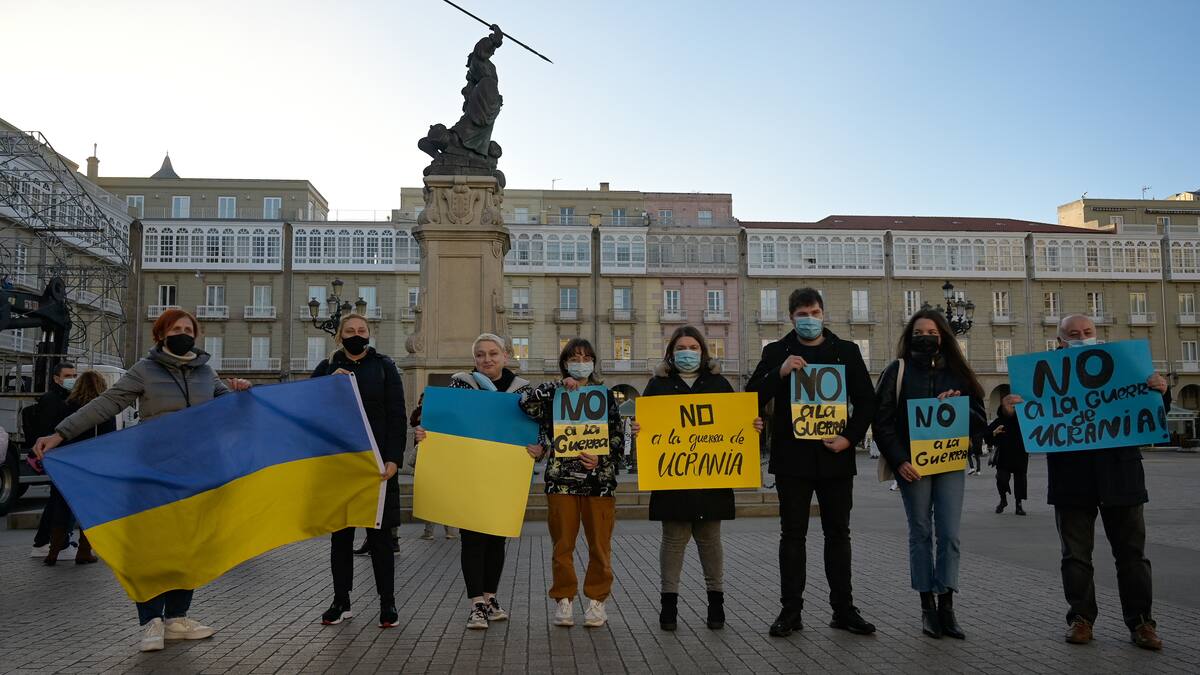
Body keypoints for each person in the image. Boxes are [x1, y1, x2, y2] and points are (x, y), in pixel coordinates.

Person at [33, 309, 252, 652]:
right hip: (152, 471)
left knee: (187, 547)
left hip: (194, 473)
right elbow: (106, 403)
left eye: (188, 329)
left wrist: (244, 392)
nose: (183, 333)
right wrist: (60, 433)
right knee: (152, 547)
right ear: (161, 335)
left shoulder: (207, 373)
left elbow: (233, 410)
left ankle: (177, 618)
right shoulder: (145, 370)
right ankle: (151, 621)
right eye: (176, 329)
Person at [999, 314, 1165, 650]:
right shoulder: (1041, 376)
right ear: (1059, 341)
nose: (1081, 337)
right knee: (1075, 556)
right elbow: (1026, 433)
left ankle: (1142, 623)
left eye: (1087, 332)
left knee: (1133, 556)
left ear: (1097, 334)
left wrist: (1161, 391)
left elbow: (1150, 412)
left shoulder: (1123, 365)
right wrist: (1008, 412)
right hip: (1072, 479)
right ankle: (1081, 619)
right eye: (1073, 334)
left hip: (1122, 474)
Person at [746, 287, 877, 638]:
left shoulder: (846, 351)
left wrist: (849, 437)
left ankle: (843, 609)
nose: (809, 320)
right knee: (792, 536)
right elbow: (750, 397)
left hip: (836, 456)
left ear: (823, 314)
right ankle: (791, 611)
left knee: (838, 535)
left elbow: (866, 401)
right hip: (792, 460)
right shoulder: (776, 351)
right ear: (791, 317)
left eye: (815, 312)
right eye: (802, 314)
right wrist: (781, 372)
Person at [630, 326, 762, 632]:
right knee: (673, 542)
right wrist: (639, 430)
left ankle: (716, 605)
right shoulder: (657, 385)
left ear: (703, 351)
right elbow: (646, 426)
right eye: (680, 348)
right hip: (673, 479)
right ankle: (669, 607)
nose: (686, 352)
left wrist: (751, 425)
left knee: (710, 541)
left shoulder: (718, 383)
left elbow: (736, 424)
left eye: (692, 347)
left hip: (711, 477)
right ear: (671, 353)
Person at [873, 309, 987, 640]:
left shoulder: (959, 373)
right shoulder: (898, 371)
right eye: (920, 332)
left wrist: (959, 403)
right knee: (920, 531)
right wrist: (899, 461)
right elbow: (882, 422)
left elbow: (979, 421)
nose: (927, 337)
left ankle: (947, 604)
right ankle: (927, 607)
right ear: (910, 337)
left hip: (949, 463)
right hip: (913, 465)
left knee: (949, 533)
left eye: (933, 332)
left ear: (944, 337)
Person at [413, 333, 539, 630]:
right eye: (481, 354)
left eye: (493, 353)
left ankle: (491, 598)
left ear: (506, 356)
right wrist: (426, 433)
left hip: (504, 475)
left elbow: (538, 427)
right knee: (472, 540)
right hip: (469, 474)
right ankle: (476, 604)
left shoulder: (523, 391)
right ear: (475, 359)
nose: (487, 359)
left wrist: (540, 447)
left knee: (497, 539)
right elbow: (442, 420)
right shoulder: (461, 383)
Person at [518, 338, 624, 628]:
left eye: (586, 357)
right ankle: (563, 600)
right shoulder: (554, 394)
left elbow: (617, 439)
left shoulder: (604, 396)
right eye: (575, 357)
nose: (581, 362)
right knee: (562, 545)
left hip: (599, 484)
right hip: (561, 482)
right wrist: (556, 386)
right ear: (565, 362)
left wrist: (600, 461)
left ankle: (597, 601)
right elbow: (525, 404)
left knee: (600, 546)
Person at [311, 314, 406, 629]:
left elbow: (396, 414)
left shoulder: (384, 367)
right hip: (340, 465)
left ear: (370, 334)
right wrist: (327, 386)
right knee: (340, 539)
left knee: (380, 539)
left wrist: (394, 458)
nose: (356, 335)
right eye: (349, 331)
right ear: (339, 336)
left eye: (361, 330)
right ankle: (341, 601)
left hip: (377, 466)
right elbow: (308, 411)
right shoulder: (325, 370)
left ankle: (387, 602)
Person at [41, 370, 117, 566]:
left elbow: (57, 432)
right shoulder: (104, 410)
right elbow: (110, 440)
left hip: (66, 464)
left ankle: (53, 552)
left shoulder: (66, 406)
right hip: (92, 465)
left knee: (61, 506)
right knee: (89, 509)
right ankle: (84, 551)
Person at [29, 361, 76, 558]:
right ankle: (57, 543)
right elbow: (46, 429)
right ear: (57, 379)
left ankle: (45, 542)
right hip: (57, 456)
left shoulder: (68, 398)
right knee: (61, 501)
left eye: (74, 375)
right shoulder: (50, 399)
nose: (72, 380)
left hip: (63, 456)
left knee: (57, 500)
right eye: (67, 376)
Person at [411, 393, 459, 541]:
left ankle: (448, 530)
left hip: (440, 459)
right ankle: (430, 531)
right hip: (427, 459)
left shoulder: (441, 416)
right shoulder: (420, 412)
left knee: (443, 497)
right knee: (431, 497)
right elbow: (413, 422)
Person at [986, 414, 1028, 515]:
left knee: (1020, 480)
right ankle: (1003, 500)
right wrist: (994, 432)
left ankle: (1019, 505)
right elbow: (987, 434)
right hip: (1004, 455)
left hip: (1020, 454)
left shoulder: (1025, 419)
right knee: (1001, 478)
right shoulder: (1000, 420)